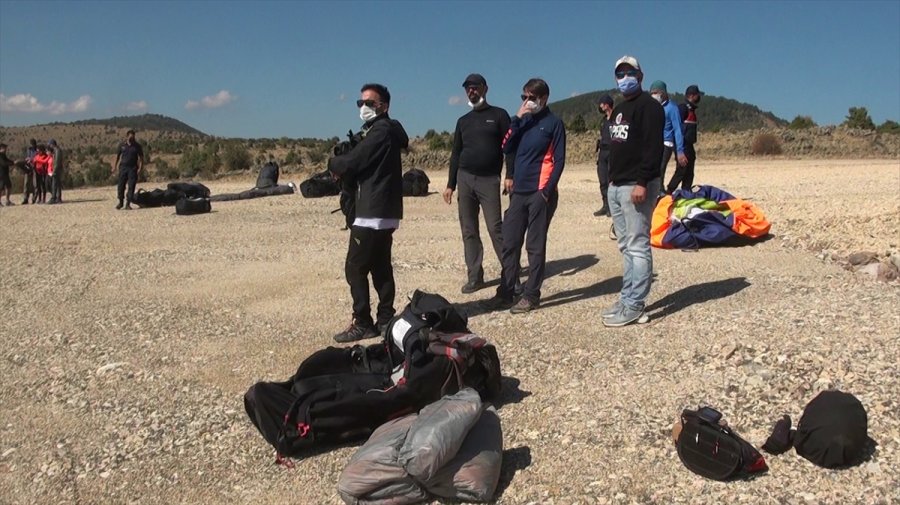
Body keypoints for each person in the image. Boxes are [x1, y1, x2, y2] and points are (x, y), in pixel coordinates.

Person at [328, 83, 409, 343]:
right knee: (380, 265)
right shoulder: (382, 130)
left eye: (370, 103)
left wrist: (333, 163)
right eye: (360, 103)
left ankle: (363, 321)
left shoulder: (381, 130)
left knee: (355, 267)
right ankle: (385, 319)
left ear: (383, 106)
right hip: (383, 210)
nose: (364, 107)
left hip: (372, 211)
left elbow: (355, 161)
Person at [483, 78, 566, 314]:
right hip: (519, 192)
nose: (527, 102)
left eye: (531, 97)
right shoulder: (523, 122)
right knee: (509, 243)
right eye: (524, 97)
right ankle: (507, 292)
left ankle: (531, 295)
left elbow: (559, 161)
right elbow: (506, 146)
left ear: (544, 98)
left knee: (534, 246)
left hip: (540, 192)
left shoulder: (554, 123)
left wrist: (546, 192)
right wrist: (517, 119)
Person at [603, 55, 664, 327]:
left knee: (638, 246)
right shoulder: (619, 108)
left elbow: (653, 149)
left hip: (636, 186)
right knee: (625, 245)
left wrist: (642, 182)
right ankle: (626, 297)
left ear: (640, 75)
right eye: (619, 73)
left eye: (629, 72)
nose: (624, 77)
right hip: (617, 186)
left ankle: (636, 304)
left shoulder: (649, 107)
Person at [443, 73, 511, 294]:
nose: (471, 91)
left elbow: (509, 148)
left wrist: (511, 175)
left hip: (490, 179)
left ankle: (510, 273)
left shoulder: (499, 115)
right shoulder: (463, 121)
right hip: (465, 178)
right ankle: (475, 276)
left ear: (485, 88)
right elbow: (455, 154)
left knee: (495, 228)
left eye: (475, 87)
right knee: (469, 229)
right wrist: (450, 184)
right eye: (467, 88)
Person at [649, 80, 688, 195]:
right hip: (653, 143)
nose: (654, 95)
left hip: (666, 143)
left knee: (660, 169)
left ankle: (660, 193)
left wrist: (680, 150)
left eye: (656, 92)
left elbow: (678, 129)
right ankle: (655, 192)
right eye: (651, 93)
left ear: (663, 93)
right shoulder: (653, 107)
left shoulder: (672, 108)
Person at [666, 84, 703, 193]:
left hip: (689, 145)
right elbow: (676, 126)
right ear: (691, 95)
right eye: (697, 95)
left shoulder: (691, 110)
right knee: (682, 169)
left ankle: (686, 191)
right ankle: (669, 191)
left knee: (689, 170)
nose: (699, 97)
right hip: (682, 144)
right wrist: (679, 150)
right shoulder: (683, 108)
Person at [112, 129, 145, 210]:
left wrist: (140, 168)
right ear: (127, 136)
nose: (132, 138)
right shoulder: (122, 145)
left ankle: (128, 204)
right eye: (130, 137)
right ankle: (120, 202)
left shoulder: (137, 146)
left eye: (133, 137)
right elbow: (117, 156)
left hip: (133, 168)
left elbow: (141, 158)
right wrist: (114, 166)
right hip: (123, 168)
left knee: (131, 186)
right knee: (121, 185)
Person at [594, 94, 614, 217]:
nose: (600, 106)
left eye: (601, 103)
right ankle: (605, 205)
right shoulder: (603, 121)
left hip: (612, 152)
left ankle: (612, 207)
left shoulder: (616, 119)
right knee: (602, 180)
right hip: (602, 152)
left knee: (611, 180)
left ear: (606, 104)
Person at [47, 139, 64, 204]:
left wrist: (54, 171)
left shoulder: (57, 151)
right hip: (57, 169)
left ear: (52, 144)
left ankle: (54, 198)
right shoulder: (56, 150)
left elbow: (57, 162)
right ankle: (58, 198)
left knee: (55, 184)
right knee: (57, 184)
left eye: (49, 144)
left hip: (57, 170)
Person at [21, 139, 37, 204]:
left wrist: (32, 159)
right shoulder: (28, 150)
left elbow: (38, 157)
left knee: (35, 184)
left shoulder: (37, 150)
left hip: (35, 168)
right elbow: (27, 156)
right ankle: (25, 198)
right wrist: (27, 159)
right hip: (28, 168)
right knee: (26, 183)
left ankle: (34, 198)